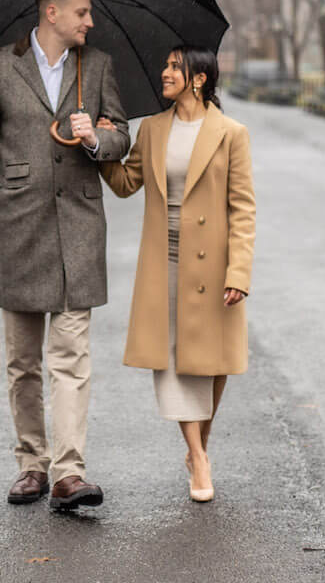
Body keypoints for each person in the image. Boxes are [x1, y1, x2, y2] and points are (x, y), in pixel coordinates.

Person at [0, 0, 131, 512]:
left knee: (71, 356)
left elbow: (122, 134)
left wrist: (97, 136)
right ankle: (32, 464)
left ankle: (69, 473)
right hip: (19, 228)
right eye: (82, 13)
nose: (90, 21)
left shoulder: (95, 66)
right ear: (52, 13)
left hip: (78, 228)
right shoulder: (0, 68)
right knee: (22, 361)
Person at [97, 46, 255, 502]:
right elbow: (127, 184)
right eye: (163, 64)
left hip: (215, 265)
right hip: (165, 263)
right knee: (174, 360)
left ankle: (198, 446)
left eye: (173, 66)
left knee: (215, 365)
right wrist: (99, 146)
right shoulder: (153, 129)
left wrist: (239, 271)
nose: (164, 73)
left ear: (199, 78)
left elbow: (243, 207)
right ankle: (198, 457)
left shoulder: (231, 134)